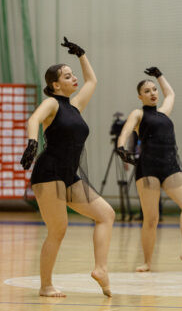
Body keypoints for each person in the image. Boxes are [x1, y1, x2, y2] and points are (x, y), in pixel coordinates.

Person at [20, 37, 115, 297]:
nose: (74, 78)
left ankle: (100, 269)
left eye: (73, 75)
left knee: (106, 214)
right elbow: (34, 118)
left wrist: (81, 55)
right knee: (58, 230)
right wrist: (31, 144)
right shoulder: (52, 103)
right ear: (55, 85)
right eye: (67, 75)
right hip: (49, 172)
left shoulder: (75, 107)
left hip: (69, 175)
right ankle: (46, 285)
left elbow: (92, 81)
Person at [117, 67, 182, 274]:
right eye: (147, 91)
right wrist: (120, 146)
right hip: (148, 168)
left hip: (170, 165)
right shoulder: (139, 113)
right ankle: (147, 262)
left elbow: (170, 94)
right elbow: (126, 131)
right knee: (151, 219)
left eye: (154, 90)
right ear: (140, 96)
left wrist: (160, 76)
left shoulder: (164, 112)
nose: (153, 93)